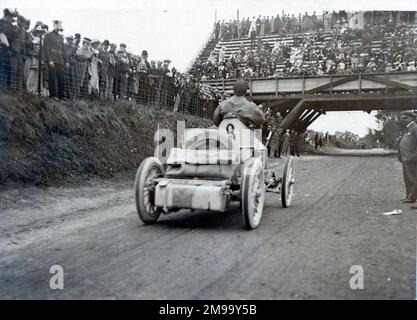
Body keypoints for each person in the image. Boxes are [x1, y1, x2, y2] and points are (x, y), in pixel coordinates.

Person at [43, 20, 68, 100]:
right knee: (52, 78)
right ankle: (53, 95)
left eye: (59, 26)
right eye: (57, 26)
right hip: (52, 60)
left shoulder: (61, 37)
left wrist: (66, 61)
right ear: (54, 26)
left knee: (61, 78)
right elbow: (46, 49)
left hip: (60, 60)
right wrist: (49, 60)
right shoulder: (48, 35)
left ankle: (62, 95)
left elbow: (63, 50)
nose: (58, 28)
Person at [398, 111, 417, 208]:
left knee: (413, 178)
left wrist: (414, 156)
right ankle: (409, 196)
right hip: (405, 158)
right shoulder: (407, 128)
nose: (402, 119)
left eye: (405, 118)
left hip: (411, 159)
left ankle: (412, 197)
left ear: (411, 118)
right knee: (407, 178)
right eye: (402, 118)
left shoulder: (414, 128)